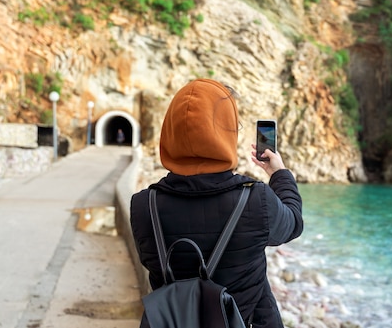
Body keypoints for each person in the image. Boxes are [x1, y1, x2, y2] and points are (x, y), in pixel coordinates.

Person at [130, 78, 303, 328]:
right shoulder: (255, 200)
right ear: (225, 132)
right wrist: (279, 174)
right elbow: (294, 223)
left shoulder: (143, 206)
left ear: (170, 131)